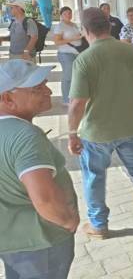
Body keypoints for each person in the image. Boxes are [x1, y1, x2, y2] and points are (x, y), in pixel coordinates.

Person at [66, 8, 133, 239]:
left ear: (85, 31)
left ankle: (98, 225)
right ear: (110, 26)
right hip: (131, 127)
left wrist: (72, 133)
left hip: (95, 133)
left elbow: (76, 104)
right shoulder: (132, 52)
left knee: (94, 178)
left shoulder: (84, 60)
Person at [0, 60, 79, 279]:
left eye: (44, 84)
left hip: (10, 239)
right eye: (37, 88)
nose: (48, 91)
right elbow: (45, 200)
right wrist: (68, 221)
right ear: (7, 98)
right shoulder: (25, 137)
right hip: (39, 243)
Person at [51, 6, 84, 105]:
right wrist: (72, 39)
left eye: (69, 13)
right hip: (65, 53)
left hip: (77, 53)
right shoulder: (60, 26)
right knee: (68, 76)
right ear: (61, 15)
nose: (68, 15)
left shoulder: (74, 25)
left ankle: (75, 97)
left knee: (76, 76)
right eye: (65, 14)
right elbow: (57, 42)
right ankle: (66, 99)